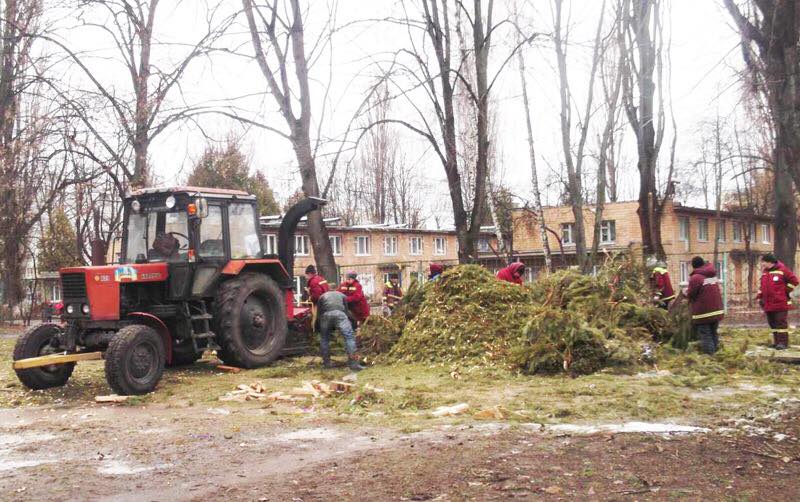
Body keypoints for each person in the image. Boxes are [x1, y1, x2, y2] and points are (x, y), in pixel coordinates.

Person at [756, 253, 799, 350]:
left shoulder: (783, 270)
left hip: (780, 303)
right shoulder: (765, 272)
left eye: (763, 262)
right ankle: (777, 342)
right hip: (767, 303)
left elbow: (794, 281)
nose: (762, 264)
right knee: (773, 324)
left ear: (769, 261)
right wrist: (760, 296)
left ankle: (783, 343)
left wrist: (784, 291)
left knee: (781, 323)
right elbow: (762, 286)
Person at [317, 290, 366, 371]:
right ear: (336, 289)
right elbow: (346, 310)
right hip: (340, 314)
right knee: (349, 337)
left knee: (324, 338)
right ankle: (354, 364)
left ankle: (326, 363)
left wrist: (322, 323)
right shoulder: (342, 295)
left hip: (325, 315)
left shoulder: (322, 296)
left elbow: (319, 311)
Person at [686, 256, 725, 355]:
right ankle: (717, 354)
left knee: (705, 335)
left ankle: (710, 358)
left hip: (704, 312)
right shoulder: (711, 275)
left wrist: (686, 293)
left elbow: (691, 294)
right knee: (713, 333)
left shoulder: (695, 277)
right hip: (717, 309)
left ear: (693, 266)